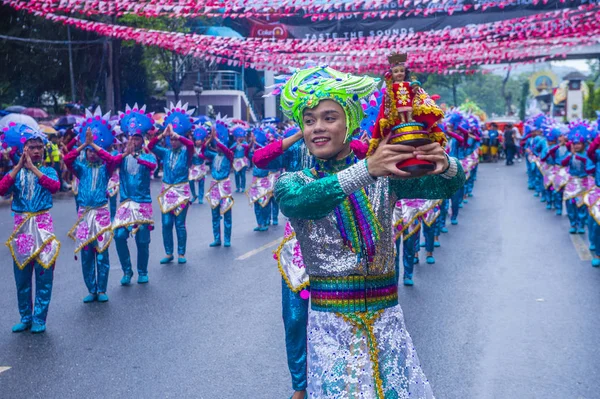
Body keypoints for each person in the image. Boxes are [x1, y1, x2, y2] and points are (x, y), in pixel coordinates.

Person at [274, 65, 465, 398]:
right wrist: (367, 169)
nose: (317, 128)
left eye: (329, 118)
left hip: (388, 325)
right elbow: (303, 202)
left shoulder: (383, 177)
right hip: (331, 329)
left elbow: (446, 185)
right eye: (309, 121)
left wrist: (445, 163)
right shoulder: (294, 183)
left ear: (349, 122)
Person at [0, 123, 61, 333]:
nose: (36, 151)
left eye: (39, 147)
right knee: (22, 277)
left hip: (43, 229)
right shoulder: (15, 173)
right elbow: (1, 189)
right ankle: (25, 317)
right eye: (31, 147)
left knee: (44, 275)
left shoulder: (49, 170)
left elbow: (55, 187)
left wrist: (34, 169)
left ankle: (39, 319)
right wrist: (18, 167)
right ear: (23, 149)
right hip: (22, 230)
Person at [101, 105, 157, 285]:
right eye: (131, 137)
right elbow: (110, 165)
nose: (133, 140)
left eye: (137, 138)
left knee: (142, 237)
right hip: (125, 202)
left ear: (143, 140)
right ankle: (127, 271)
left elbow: (152, 166)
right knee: (118, 236)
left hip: (142, 203)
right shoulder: (120, 156)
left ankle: (142, 271)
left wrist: (137, 155)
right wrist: (125, 153)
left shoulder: (148, 156)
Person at [65, 114, 115, 303]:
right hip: (85, 214)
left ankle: (102, 289)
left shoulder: (105, 169)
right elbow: (67, 159)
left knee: (102, 252)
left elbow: (112, 160)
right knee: (86, 253)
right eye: (89, 151)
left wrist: (93, 145)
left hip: (101, 213)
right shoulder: (81, 169)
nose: (92, 154)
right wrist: (83, 145)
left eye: (94, 151)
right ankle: (91, 289)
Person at [150, 105, 195, 265]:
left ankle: (181, 253)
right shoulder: (165, 152)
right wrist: (162, 134)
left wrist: (178, 135)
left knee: (180, 224)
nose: (173, 141)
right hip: (167, 191)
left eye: (175, 139)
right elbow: (150, 147)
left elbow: (190, 145)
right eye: (172, 139)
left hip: (181, 191)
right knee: (167, 223)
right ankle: (169, 253)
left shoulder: (186, 152)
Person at [203, 120, 235, 247]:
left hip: (225, 186)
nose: (217, 146)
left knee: (227, 213)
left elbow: (225, 149)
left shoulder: (229, 155)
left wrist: (215, 138)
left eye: (218, 144)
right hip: (214, 187)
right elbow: (203, 151)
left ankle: (227, 239)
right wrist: (210, 138)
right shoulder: (214, 155)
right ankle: (217, 238)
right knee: (214, 214)